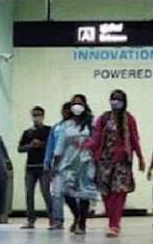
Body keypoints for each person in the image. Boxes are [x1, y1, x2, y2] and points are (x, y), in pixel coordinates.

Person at [85, 89, 145, 238]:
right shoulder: (104, 118)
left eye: (118, 99)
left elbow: (134, 139)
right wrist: (85, 147)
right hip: (104, 161)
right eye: (113, 99)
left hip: (122, 162)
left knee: (119, 193)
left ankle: (114, 224)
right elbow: (96, 137)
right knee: (106, 193)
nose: (115, 102)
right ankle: (112, 220)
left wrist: (140, 157)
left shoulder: (129, 118)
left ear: (124, 102)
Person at [52, 97, 100, 235]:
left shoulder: (91, 123)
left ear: (85, 105)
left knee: (84, 193)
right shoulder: (66, 125)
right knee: (65, 191)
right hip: (68, 163)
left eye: (80, 103)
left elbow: (97, 141)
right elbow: (59, 146)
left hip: (86, 161)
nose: (77, 106)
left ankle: (82, 223)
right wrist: (55, 165)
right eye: (74, 103)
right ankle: (77, 215)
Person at [17, 106, 52, 229]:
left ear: (43, 116)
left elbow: (52, 146)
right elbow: (20, 149)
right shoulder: (27, 133)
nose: (36, 117)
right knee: (29, 193)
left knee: (46, 192)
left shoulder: (49, 131)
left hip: (44, 167)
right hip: (30, 167)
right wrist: (30, 146)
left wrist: (41, 144)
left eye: (39, 115)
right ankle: (30, 220)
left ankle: (53, 219)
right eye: (34, 115)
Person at [43, 102, 72, 230]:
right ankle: (58, 220)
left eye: (68, 110)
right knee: (56, 193)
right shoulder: (56, 127)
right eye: (63, 110)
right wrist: (47, 161)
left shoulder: (76, 127)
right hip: (58, 163)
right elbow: (50, 146)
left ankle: (78, 219)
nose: (65, 113)